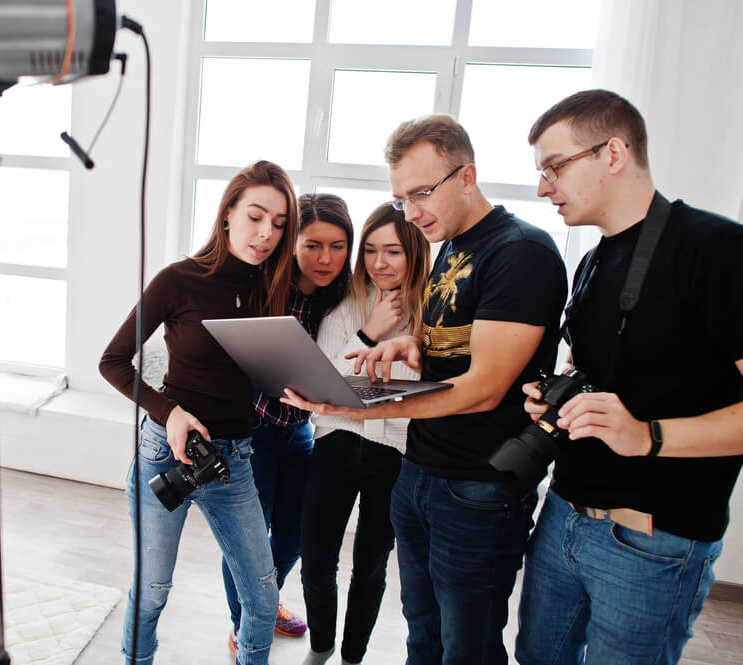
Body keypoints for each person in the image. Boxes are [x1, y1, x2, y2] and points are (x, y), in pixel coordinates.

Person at [281, 114, 568, 665]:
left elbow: (485, 389)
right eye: (400, 198)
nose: (411, 213)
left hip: (477, 487)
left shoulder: (519, 250)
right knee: (423, 633)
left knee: (467, 644)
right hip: (421, 473)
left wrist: (353, 407)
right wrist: (413, 346)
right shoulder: (452, 251)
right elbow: (461, 351)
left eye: (420, 194)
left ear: (467, 176)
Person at [514, 89, 743, 665]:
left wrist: (649, 435)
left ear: (612, 153)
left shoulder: (716, 249)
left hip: (653, 541)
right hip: (564, 514)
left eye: (554, 168)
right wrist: (557, 399)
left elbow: (642, 419)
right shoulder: (593, 261)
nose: (544, 188)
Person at [99, 160, 299, 665]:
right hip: (166, 456)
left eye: (278, 224)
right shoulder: (178, 279)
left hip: (235, 461)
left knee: (261, 597)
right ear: (227, 212)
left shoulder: (269, 289)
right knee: (153, 591)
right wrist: (170, 413)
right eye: (256, 216)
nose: (266, 233)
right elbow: (112, 361)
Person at [222, 192, 354, 656]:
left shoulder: (341, 298)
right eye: (312, 245)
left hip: (301, 432)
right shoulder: (268, 289)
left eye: (337, 246)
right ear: (292, 243)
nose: (325, 258)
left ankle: (264, 601)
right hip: (254, 432)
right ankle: (245, 623)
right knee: (247, 542)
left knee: (295, 535)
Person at [299, 202, 429, 665]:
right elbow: (323, 384)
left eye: (392, 251)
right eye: (370, 250)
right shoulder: (347, 308)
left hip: (394, 454)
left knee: (371, 567)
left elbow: (418, 401)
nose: (379, 263)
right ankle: (320, 648)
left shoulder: (429, 314)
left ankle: (353, 656)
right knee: (315, 559)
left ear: (414, 254)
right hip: (334, 442)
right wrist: (370, 333)